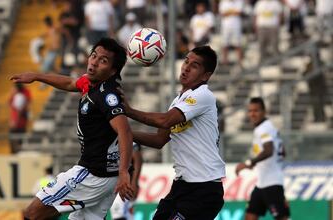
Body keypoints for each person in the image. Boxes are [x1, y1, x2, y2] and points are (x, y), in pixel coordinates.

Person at [10, 38, 134, 220]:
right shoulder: (91, 83)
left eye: (103, 61)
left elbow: (125, 132)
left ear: (113, 70)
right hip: (106, 178)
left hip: (92, 174)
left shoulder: (106, 95)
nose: (94, 62)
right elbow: (70, 83)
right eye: (94, 56)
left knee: (33, 212)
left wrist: (124, 172)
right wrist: (37, 76)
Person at [121, 46, 225, 219]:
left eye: (195, 65)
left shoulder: (202, 95)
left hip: (204, 189)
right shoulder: (178, 101)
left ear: (206, 75)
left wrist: (128, 111)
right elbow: (159, 140)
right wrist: (123, 132)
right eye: (186, 61)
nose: (186, 67)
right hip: (181, 186)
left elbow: (165, 120)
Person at [235, 97, 290, 220]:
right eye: (250, 111)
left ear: (264, 111)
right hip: (262, 183)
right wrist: (256, 163)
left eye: (256, 110)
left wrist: (249, 162)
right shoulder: (269, 127)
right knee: (250, 216)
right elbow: (283, 152)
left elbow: (269, 150)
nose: (252, 114)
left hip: (271, 183)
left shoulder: (263, 128)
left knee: (282, 218)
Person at [110, 142, 143, 220]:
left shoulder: (127, 137)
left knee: (120, 213)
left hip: (126, 184)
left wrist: (134, 182)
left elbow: (137, 158)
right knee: (125, 213)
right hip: (116, 183)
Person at [9, 83, 31, 154]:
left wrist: (15, 122)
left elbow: (19, 111)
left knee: (16, 142)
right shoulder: (18, 96)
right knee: (16, 142)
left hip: (18, 124)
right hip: (19, 124)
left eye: (13, 88)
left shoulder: (19, 97)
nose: (12, 89)